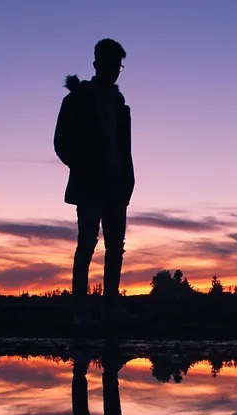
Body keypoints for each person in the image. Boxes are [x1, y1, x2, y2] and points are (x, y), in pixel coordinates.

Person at [54, 39, 137, 327]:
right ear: (97, 64)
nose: (115, 70)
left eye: (119, 66)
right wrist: (84, 168)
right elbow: (61, 143)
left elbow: (125, 148)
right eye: (111, 64)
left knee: (115, 246)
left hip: (116, 187)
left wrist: (128, 178)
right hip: (90, 186)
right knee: (87, 244)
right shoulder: (77, 99)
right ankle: (81, 311)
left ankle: (110, 307)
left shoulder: (119, 103)